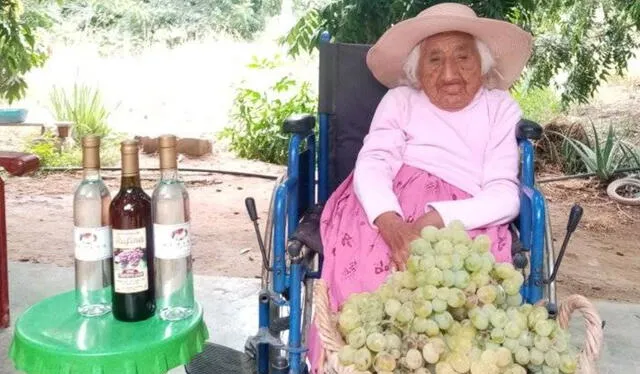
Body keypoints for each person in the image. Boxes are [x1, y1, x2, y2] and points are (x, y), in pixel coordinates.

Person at [307, 2, 533, 371]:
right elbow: (374, 162)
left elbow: (504, 194)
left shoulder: (500, 108)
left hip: (466, 212)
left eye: (463, 57)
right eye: (434, 60)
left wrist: (435, 219)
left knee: (468, 292)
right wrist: (390, 221)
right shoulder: (400, 100)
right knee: (371, 266)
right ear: (416, 69)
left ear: (482, 63)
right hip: (387, 199)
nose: (450, 73)